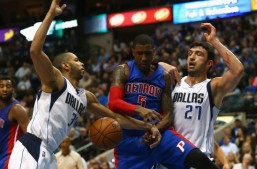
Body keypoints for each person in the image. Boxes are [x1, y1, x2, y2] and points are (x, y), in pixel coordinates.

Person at [8, 1, 161, 168]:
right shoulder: (57, 81)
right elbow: (35, 51)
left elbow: (116, 118)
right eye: (76, 60)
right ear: (65, 66)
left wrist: (147, 126)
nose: (81, 63)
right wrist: (51, 14)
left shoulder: (85, 97)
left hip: (49, 153)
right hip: (32, 146)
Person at [108, 34, 219, 168]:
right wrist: (138, 109)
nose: (143, 58)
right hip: (129, 140)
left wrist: (155, 129)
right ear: (133, 52)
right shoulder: (122, 71)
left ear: (154, 52)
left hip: (160, 135)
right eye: (139, 53)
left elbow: (168, 115)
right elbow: (113, 103)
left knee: (199, 159)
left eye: (148, 53)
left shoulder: (164, 76)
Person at [160, 23, 243, 168]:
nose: (192, 57)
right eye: (190, 53)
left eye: (198, 54)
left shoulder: (213, 86)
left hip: (200, 161)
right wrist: (162, 64)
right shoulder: (175, 82)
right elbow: (147, 66)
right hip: (171, 160)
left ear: (209, 63)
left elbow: (238, 70)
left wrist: (214, 41)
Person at [0, 76, 29, 169]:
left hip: (11, 159)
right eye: (1, 86)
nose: (5, 89)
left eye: (8, 86)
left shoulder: (17, 109)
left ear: (13, 89)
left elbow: (30, 136)